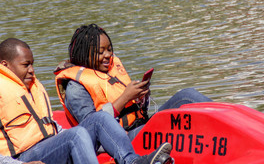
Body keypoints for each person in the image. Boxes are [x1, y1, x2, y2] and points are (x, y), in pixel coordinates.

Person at [0, 38, 172, 164]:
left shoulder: (30, 90)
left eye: (32, 64)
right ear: (5, 65)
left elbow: (52, 129)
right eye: (25, 65)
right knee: (75, 136)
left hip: (49, 151)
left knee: (98, 120)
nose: (32, 71)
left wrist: (104, 142)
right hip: (23, 162)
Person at [54, 24, 213, 140]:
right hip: (121, 140)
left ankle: (231, 121)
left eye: (109, 49)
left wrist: (140, 97)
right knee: (168, 129)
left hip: (140, 125)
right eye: (100, 52)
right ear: (83, 55)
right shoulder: (75, 88)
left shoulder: (107, 70)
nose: (108, 55)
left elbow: (132, 111)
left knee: (187, 95)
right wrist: (125, 98)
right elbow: (92, 127)